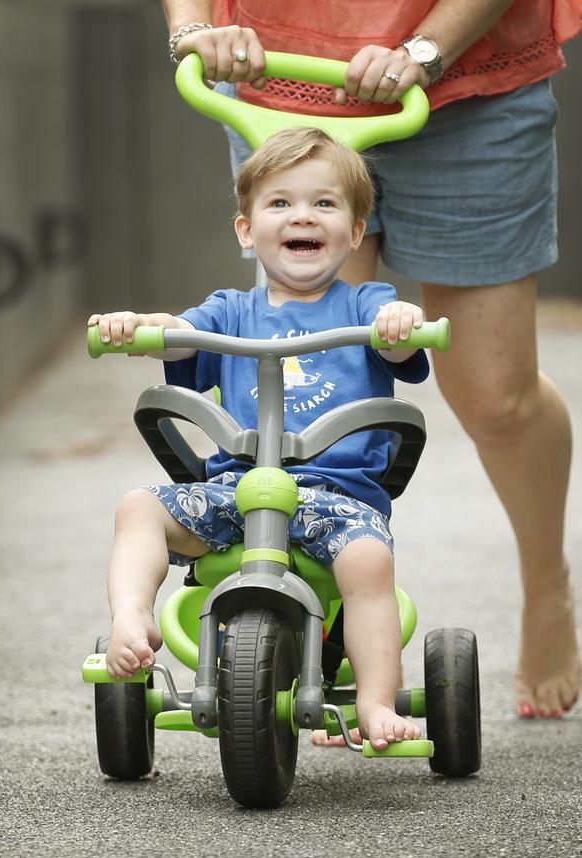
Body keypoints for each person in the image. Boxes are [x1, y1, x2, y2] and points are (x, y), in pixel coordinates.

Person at [159, 0, 581, 723]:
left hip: (465, 88)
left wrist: (426, 48)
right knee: (309, 377)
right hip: (282, 76)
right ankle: (327, 644)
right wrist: (194, 28)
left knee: (493, 395)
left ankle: (547, 584)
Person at [89, 126, 433, 750]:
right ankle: (131, 615)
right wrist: (137, 327)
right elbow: (180, 333)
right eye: (281, 203)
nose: (303, 215)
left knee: (369, 561)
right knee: (139, 506)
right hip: (236, 491)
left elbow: (402, 344)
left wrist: (400, 324)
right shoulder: (230, 312)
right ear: (247, 230)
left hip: (337, 497)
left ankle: (376, 702)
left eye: (325, 204)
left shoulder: (365, 305)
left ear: (356, 232)